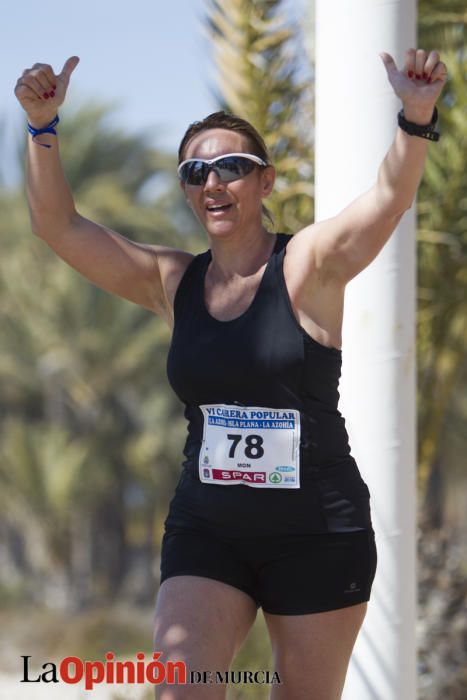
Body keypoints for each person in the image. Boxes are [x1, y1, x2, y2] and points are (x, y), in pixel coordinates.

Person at [15, 48, 446, 700]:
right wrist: (42, 130)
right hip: (208, 529)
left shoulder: (307, 265)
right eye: (195, 171)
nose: (212, 182)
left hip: (316, 532)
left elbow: (388, 199)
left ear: (265, 182)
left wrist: (413, 119)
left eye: (231, 167)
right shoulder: (171, 281)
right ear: (186, 189)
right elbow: (56, 224)